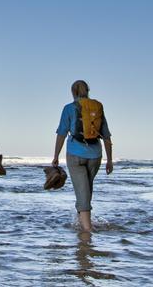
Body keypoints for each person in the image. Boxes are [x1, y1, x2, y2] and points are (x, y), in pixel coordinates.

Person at [52, 80, 113, 232]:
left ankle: (87, 233)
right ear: (88, 90)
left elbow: (61, 133)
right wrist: (109, 160)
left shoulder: (69, 108)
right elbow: (106, 136)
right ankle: (82, 223)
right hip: (95, 155)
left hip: (75, 153)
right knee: (86, 188)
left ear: (73, 92)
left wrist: (55, 156)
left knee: (82, 191)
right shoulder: (97, 108)